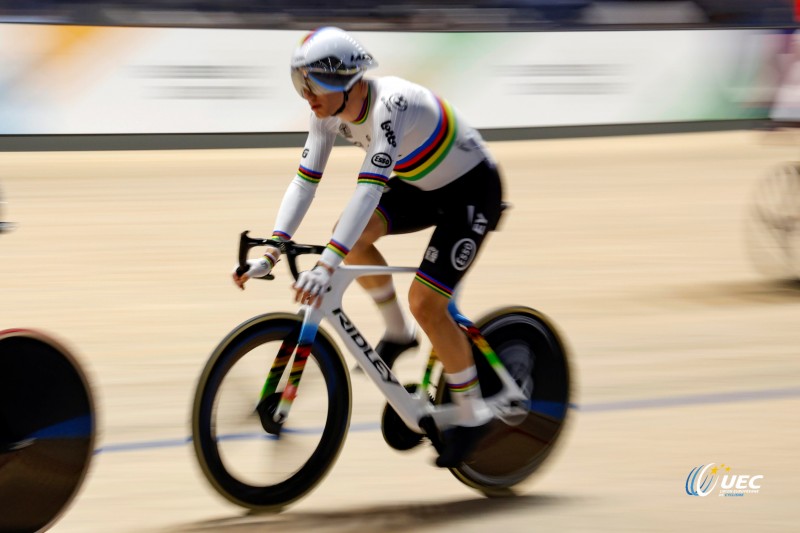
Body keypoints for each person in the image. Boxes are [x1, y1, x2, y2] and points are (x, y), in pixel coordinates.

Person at [233, 27, 504, 468]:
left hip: (472, 189)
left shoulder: (389, 106)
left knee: (427, 302)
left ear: (346, 81)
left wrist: (326, 264)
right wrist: (272, 250)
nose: (306, 95)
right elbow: (305, 182)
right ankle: (398, 333)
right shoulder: (326, 112)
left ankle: (474, 415)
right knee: (352, 236)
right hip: (423, 184)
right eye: (299, 83)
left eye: (313, 83)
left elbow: (369, 190)